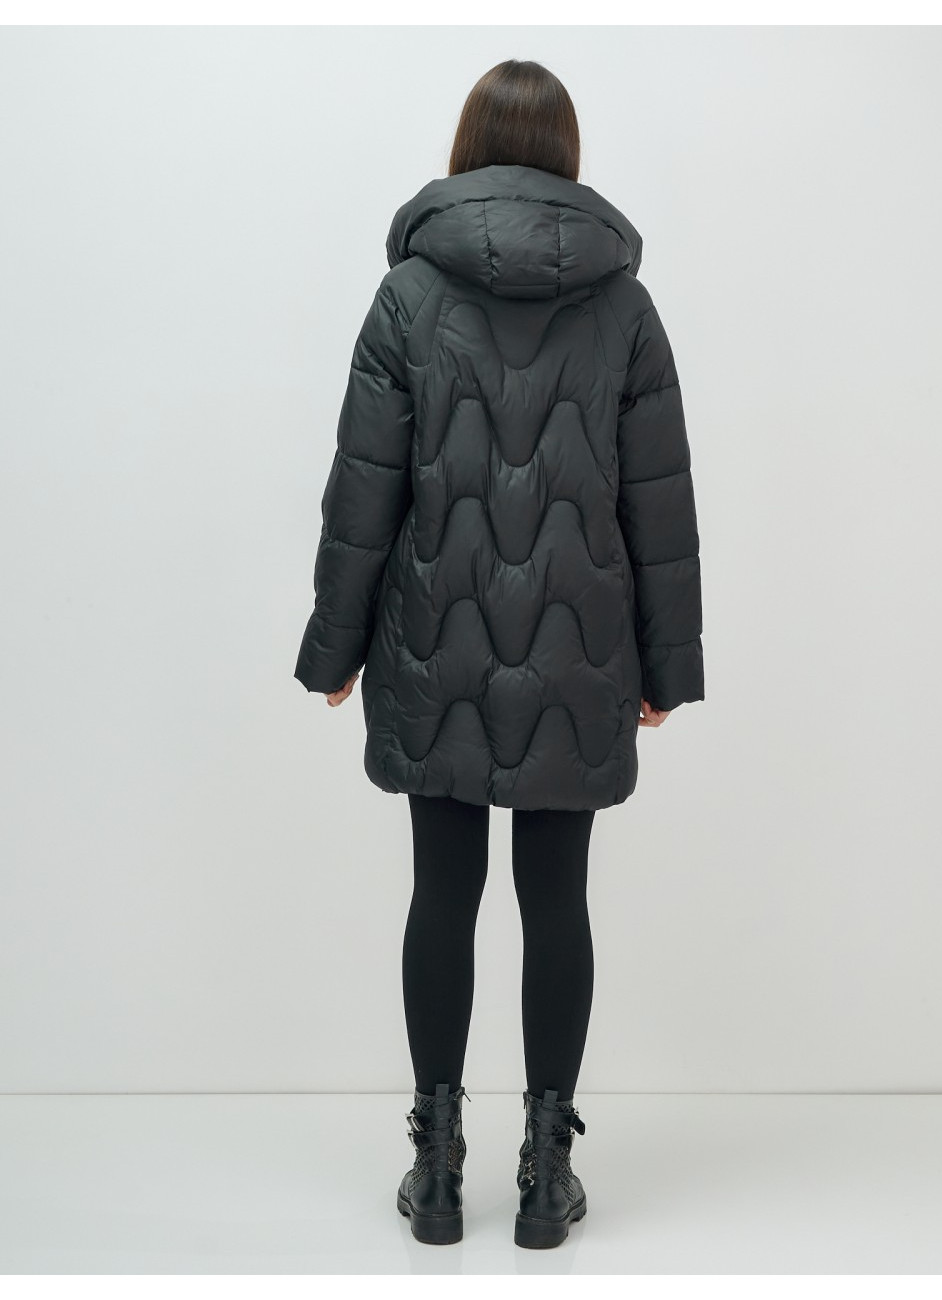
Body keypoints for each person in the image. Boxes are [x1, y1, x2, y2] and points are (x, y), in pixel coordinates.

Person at [294, 58, 704, 1249]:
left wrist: (334, 646)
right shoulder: (625, 308)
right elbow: (659, 500)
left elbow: (362, 490)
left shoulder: (408, 296)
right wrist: (665, 664)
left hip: (436, 636)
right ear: (567, 155)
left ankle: (435, 1172)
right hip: (581, 646)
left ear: (466, 149)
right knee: (556, 898)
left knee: (442, 890)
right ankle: (543, 1175)